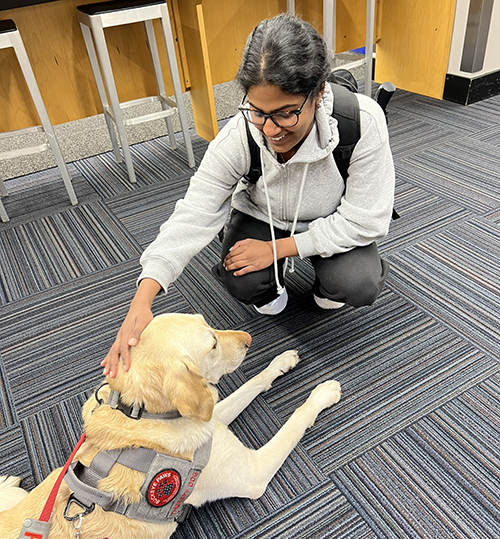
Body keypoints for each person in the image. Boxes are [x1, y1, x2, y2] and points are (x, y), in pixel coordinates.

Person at [102, 13, 395, 378]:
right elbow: (194, 212)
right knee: (241, 277)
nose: (271, 130)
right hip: (263, 215)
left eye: (287, 113)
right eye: (258, 111)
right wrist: (143, 297)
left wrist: (275, 250)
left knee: (358, 283)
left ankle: (326, 285)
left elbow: (366, 219)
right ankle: (269, 290)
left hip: (329, 218)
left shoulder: (361, 122)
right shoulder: (240, 134)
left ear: (319, 94)